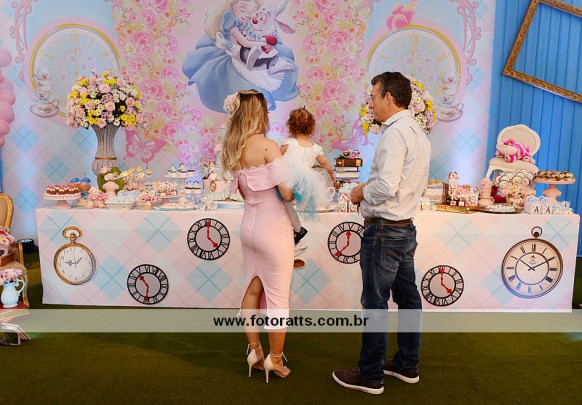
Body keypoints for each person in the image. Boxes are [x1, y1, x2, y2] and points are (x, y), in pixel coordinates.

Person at [332, 72, 431, 395]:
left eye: (373, 97)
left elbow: (386, 186)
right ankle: (407, 364)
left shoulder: (394, 133)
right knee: (408, 299)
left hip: (385, 230)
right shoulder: (417, 132)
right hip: (405, 229)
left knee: (375, 303)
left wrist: (360, 193)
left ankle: (371, 374)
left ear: (389, 97)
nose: (371, 103)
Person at [222, 90, 293, 383]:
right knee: (277, 298)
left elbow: (243, 191)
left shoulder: (233, 147)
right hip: (272, 229)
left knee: (252, 289)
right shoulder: (268, 146)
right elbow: (287, 193)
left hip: (248, 228)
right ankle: (274, 360)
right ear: (259, 112)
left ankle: (255, 351)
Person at [182, 0, 299, 112]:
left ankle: (271, 64)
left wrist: (265, 41)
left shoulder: (251, 23)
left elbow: (259, 35)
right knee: (241, 71)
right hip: (238, 49)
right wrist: (260, 44)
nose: (247, 14)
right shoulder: (232, 24)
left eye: (252, 11)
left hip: (251, 49)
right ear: (233, 6)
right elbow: (245, 42)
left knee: (265, 61)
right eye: (242, 9)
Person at [280, 107, 336, 247]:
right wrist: (331, 173)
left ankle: (296, 229)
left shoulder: (289, 143)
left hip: (289, 178)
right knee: (288, 203)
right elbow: (325, 163)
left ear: (291, 128)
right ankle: (297, 229)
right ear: (311, 129)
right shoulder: (315, 147)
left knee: (284, 202)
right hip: (305, 182)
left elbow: (276, 158)